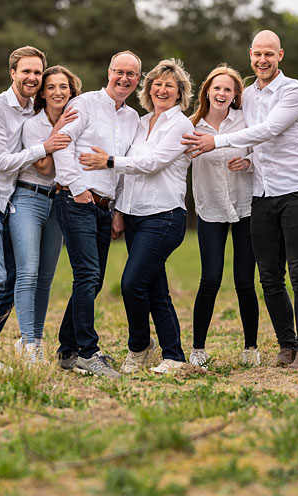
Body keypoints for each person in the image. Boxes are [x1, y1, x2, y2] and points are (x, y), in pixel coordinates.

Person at [182, 30, 298, 371]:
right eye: (257, 54)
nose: (262, 60)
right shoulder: (250, 97)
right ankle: (286, 346)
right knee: (269, 277)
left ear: (280, 55)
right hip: (261, 195)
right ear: (250, 55)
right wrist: (249, 161)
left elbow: (270, 130)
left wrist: (217, 142)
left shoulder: (292, 90)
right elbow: (259, 146)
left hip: (297, 191)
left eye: (269, 54)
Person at [0, 46, 71, 369]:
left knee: (11, 279)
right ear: (13, 73)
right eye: (26, 71)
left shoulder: (32, 110)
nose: (32, 77)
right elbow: (2, 162)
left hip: (6, 200)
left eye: (37, 72)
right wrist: (44, 147)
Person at [80, 58, 194, 374]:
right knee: (156, 289)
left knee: (131, 284)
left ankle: (139, 346)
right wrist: (118, 211)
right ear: (148, 88)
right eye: (157, 84)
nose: (162, 90)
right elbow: (128, 175)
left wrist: (109, 161)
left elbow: (152, 163)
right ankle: (173, 356)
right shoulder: (141, 123)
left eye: (169, 85)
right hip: (134, 216)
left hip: (164, 216)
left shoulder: (181, 125)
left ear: (180, 92)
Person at [53, 51, 141, 378]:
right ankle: (88, 354)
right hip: (75, 199)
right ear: (109, 72)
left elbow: (122, 167)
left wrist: (117, 210)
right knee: (88, 274)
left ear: (137, 80)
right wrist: (78, 188)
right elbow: (62, 144)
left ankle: (68, 350)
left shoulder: (132, 118)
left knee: (95, 279)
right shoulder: (85, 103)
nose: (124, 78)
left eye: (131, 74)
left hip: (105, 206)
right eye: (119, 71)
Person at [9, 65, 81, 364]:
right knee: (28, 272)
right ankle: (28, 343)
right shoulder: (33, 124)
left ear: (71, 91)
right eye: (50, 87)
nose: (57, 92)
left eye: (63, 87)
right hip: (28, 199)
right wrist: (58, 129)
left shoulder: (77, 120)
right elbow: (44, 167)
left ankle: (35, 340)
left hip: (58, 203)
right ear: (42, 93)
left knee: (46, 277)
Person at [188, 64, 259, 367]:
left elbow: (264, 151)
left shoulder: (246, 121)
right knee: (210, 279)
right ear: (207, 91)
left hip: (245, 207)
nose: (221, 93)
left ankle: (251, 348)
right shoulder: (191, 126)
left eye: (227, 89)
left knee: (244, 280)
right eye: (216, 88)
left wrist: (249, 162)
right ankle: (198, 349)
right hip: (211, 208)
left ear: (235, 95)